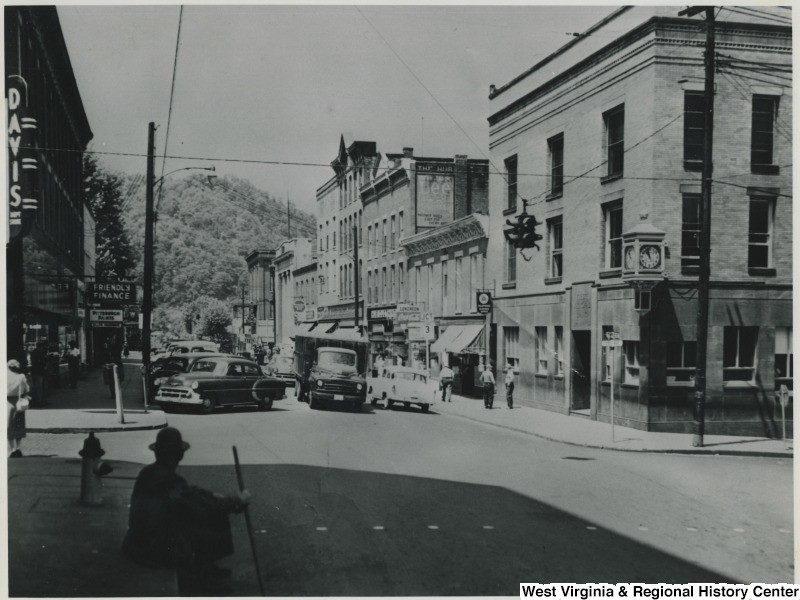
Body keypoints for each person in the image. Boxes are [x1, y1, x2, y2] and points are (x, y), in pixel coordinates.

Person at [123, 427, 251, 593]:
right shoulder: (167, 479)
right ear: (179, 455)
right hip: (153, 548)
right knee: (209, 516)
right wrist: (234, 503)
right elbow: (195, 504)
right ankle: (201, 576)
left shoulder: (150, 472)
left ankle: (202, 566)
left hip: (137, 542)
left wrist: (212, 495)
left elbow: (189, 492)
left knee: (201, 510)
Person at [7, 360, 31, 458]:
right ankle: (18, 448)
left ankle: (12, 449)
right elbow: (27, 389)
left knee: (9, 426)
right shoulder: (21, 377)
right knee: (19, 425)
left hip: (7, 402)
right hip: (19, 402)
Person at [30, 342, 48, 407]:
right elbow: (38, 362)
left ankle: (40, 401)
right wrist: (44, 365)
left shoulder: (35, 352)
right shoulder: (37, 353)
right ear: (40, 347)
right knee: (39, 387)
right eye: (42, 347)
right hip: (38, 372)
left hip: (38, 372)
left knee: (39, 387)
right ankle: (39, 401)